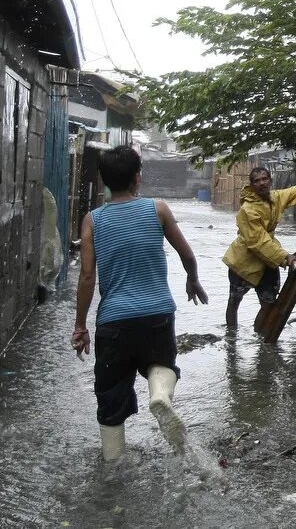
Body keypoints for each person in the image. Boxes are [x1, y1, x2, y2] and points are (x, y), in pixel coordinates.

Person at [72, 145, 209, 461]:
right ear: (138, 178)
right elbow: (187, 254)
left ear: (105, 181)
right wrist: (192, 279)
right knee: (162, 366)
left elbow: (87, 277)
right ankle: (160, 395)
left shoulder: (92, 221)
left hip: (114, 321)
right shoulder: (158, 209)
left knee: (110, 398)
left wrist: (80, 325)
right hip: (157, 315)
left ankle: (113, 465)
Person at [222, 166, 296, 330]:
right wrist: (286, 257)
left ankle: (260, 338)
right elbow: (258, 242)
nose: (262, 183)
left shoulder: (275, 197)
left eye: (264, 179)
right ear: (252, 185)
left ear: (270, 181)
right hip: (244, 261)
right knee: (234, 301)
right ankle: (231, 340)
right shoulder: (247, 210)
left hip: (269, 261)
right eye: (257, 181)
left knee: (268, 303)